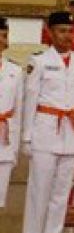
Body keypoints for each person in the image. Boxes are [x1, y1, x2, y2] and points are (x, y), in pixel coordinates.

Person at [21, 12, 74, 233]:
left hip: (71, 133)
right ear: (50, 33)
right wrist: (27, 136)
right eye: (61, 31)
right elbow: (31, 99)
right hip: (45, 131)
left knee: (61, 194)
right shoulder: (39, 62)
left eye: (70, 31)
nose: (67, 36)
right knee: (39, 191)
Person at [0, 16, 22, 221]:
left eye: (5, 36)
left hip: (3, 143)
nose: (3, 40)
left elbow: (18, 112)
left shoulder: (15, 71)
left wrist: (14, 148)